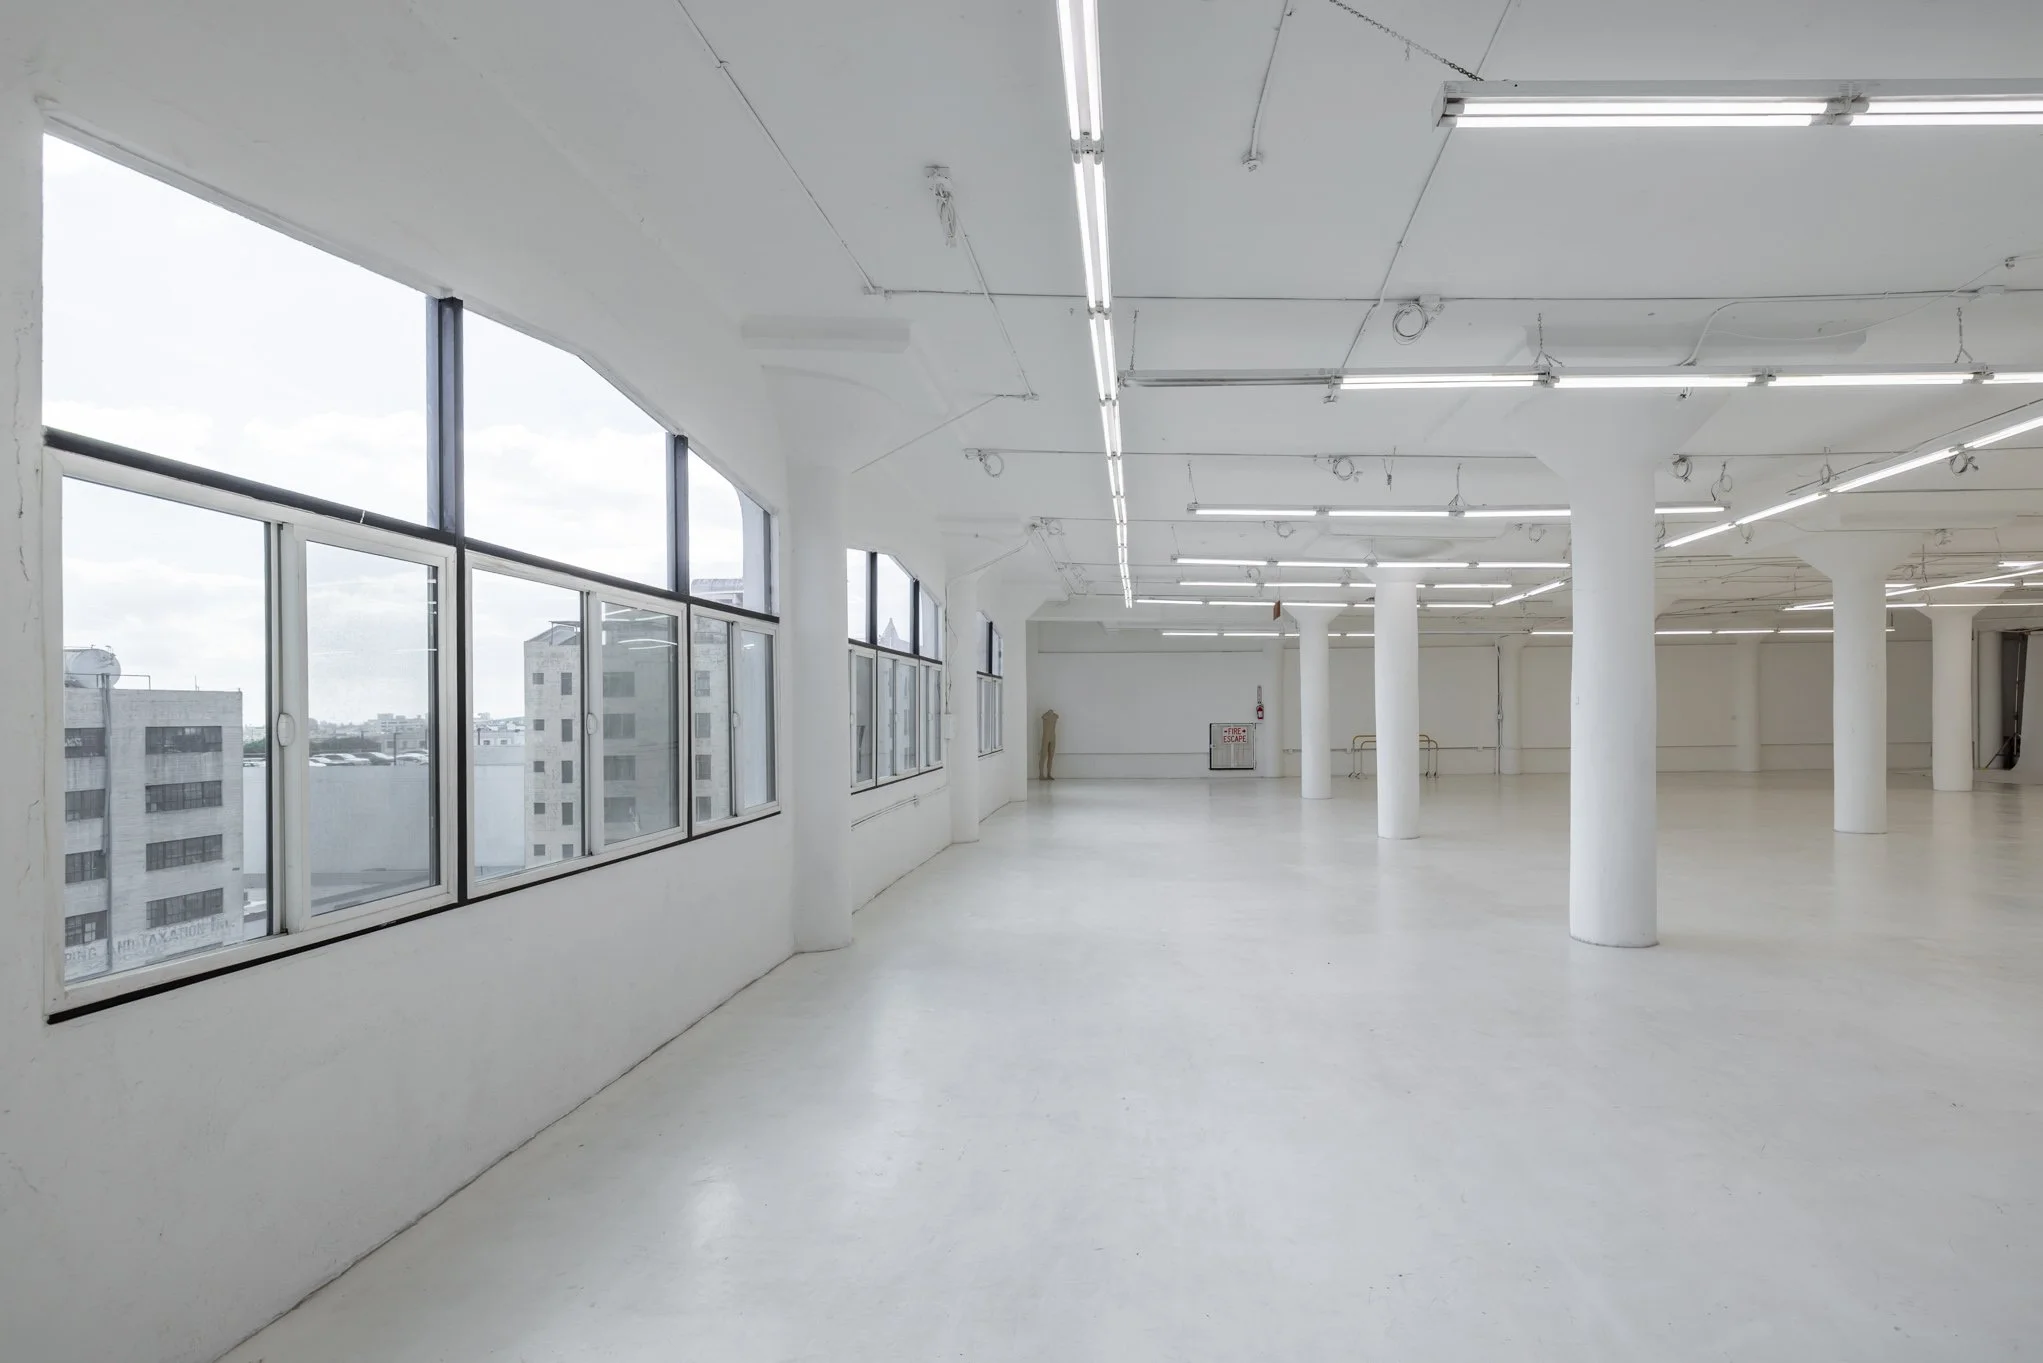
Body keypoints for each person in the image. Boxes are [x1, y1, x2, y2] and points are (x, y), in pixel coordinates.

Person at [1039, 708, 1059, 780]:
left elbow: (1056, 716)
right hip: (1046, 737)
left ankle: (1049, 774)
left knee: (1051, 756)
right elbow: (1044, 717)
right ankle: (1041, 774)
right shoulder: (1045, 716)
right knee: (1043, 756)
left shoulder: (1056, 716)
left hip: (1053, 737)